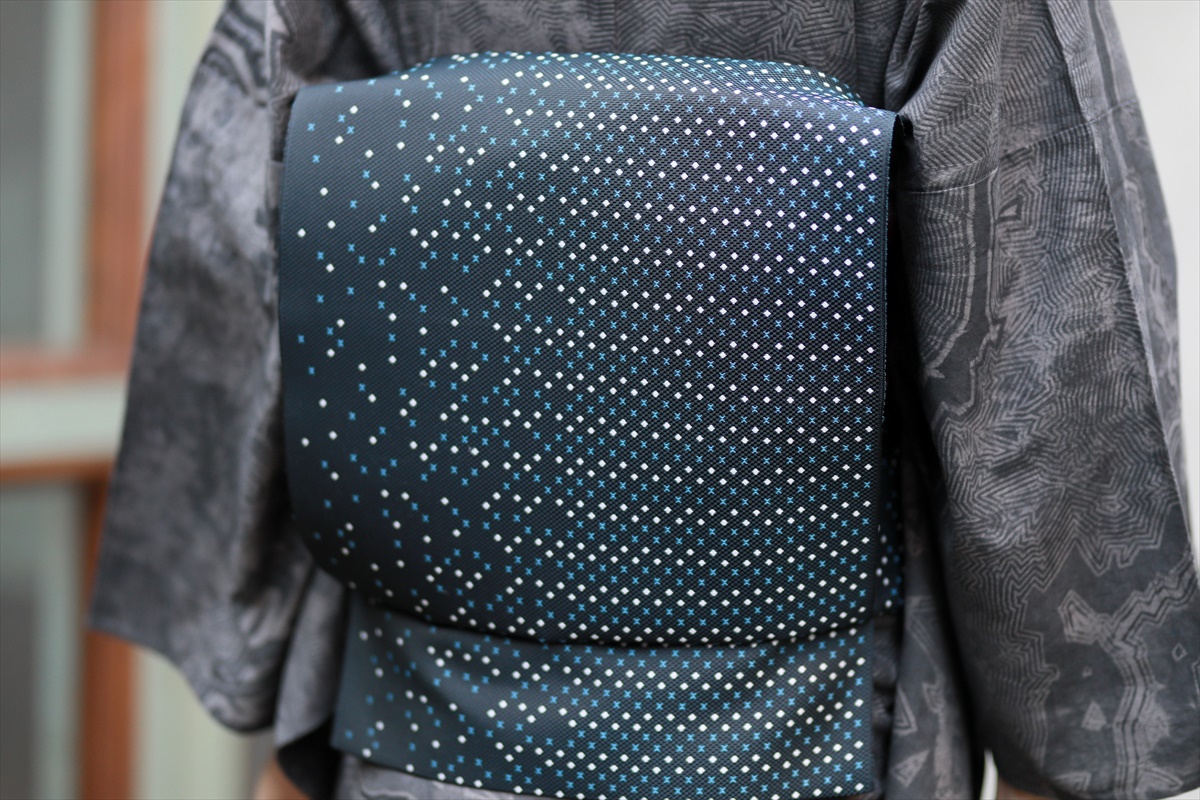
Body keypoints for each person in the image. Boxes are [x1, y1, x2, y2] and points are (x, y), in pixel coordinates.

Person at [91, 1, 1200, 798]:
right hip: (825, 721)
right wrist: (1074, 738)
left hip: (428, 721)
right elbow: (1043, 317)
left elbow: (243, 215)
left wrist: (252, 636)